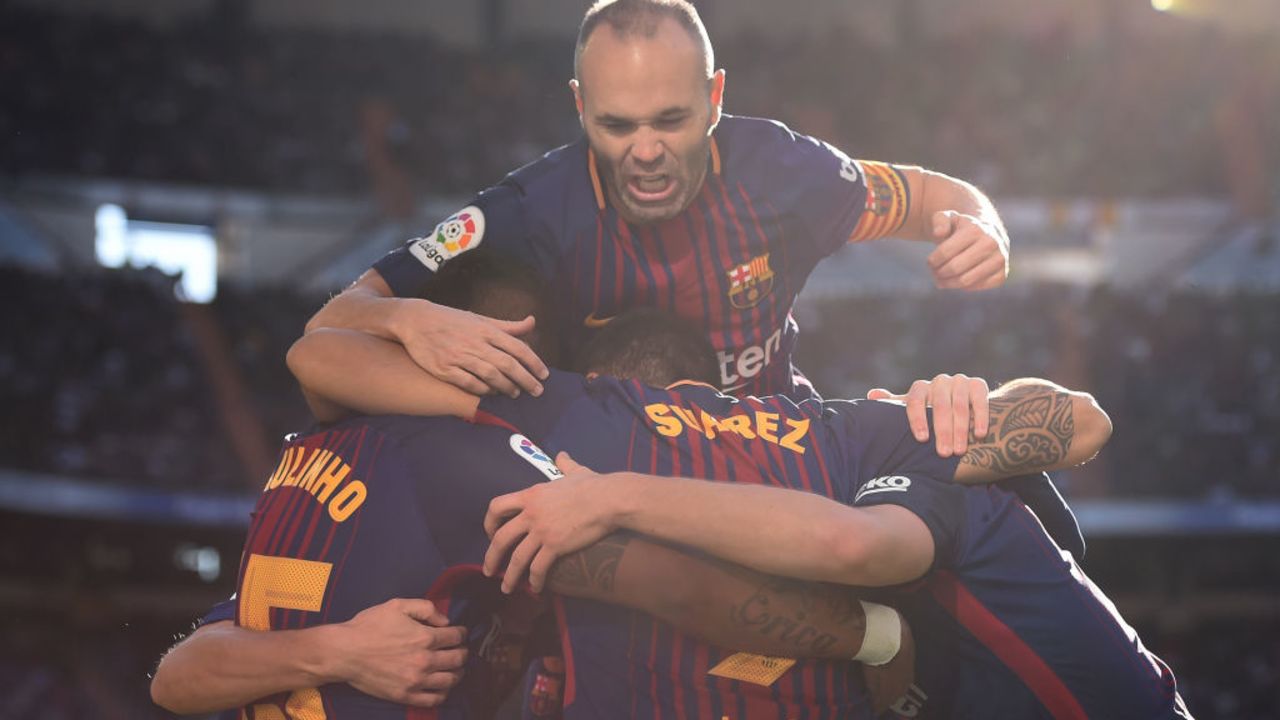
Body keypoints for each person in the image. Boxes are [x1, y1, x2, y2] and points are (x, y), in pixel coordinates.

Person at [151, 258, 915, 719]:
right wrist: (876, 635)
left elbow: (177, 677)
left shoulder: (310, 450)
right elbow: (668, 583)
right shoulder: (472, 456)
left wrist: (328, 651)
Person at [289, 308, 1122, 718]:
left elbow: (317, 360)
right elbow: (1085, 422)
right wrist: (971, 393)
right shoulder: (833, 427)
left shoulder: (559, 415)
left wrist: (403, 317)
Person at [301, 0, 1010, 458]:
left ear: (715, 98)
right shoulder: (531, 209)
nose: (645, 151)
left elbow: (929, 196)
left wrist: (984, 226)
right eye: (617, 125)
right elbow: (337, 323)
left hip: (780, 456)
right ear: (581, 110)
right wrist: (411, 318)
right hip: (612, 477)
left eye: (671, 119)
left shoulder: (784, 170)